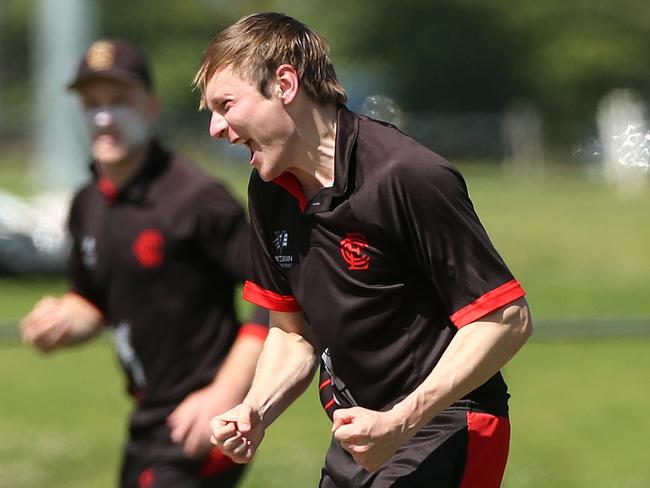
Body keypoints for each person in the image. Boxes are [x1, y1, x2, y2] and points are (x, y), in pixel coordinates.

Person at [193, 12, 533, 488]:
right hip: (361, 436)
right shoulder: (269, 190)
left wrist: (403, 419)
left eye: (226, 104)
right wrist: (256, 408)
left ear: (285, 84)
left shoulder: (407, 175)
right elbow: (292, 334)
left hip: (448, 424)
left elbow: (505, 317)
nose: (216, 128)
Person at [20, 39, 268, 488]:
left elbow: (277, 296)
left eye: (120, 101)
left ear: (151, 107)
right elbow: (91, 301)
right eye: (92, 103)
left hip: (204, 420)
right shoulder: (86, 204)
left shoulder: (196, 198)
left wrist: (225, 394)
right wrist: (60, 319)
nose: (104, 116)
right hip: (148, 418)